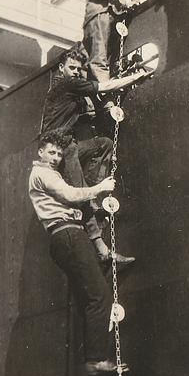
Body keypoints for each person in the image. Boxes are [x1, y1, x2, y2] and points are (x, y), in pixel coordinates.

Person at [28, 130, 130, 376]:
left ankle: (94, 358)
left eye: (59, 154)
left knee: (91, 295)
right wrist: (101, 187)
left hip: (65, 238)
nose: (55, 157)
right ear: (40, 152)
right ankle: (95, 360)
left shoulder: (46, 173)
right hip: (69, 235)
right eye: (51, 152)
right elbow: (70, 195)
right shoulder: (43, 174)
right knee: (100, 296)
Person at [41, 48, 147, 267]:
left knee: (104, 145)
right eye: (72, 68)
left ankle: (92, 195)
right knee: (82, 196)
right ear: (61, 69)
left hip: (68, 145)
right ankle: (102, 250)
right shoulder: (66, 84)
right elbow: (104, 86)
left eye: (80, 69)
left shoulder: (69, 89)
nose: (77, 72)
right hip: (59, 149)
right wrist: (134, 77)